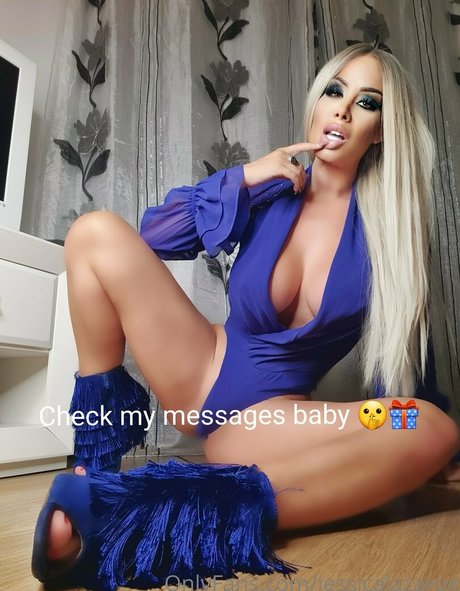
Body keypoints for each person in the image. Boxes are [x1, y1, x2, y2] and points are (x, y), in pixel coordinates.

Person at [33, 42, 460, 589]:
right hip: (200, 365)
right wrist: (248, 176)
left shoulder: (389, 238)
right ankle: (96, 469)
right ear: (318, 102)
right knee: (94, 233)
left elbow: (405, 351)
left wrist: (414, 443)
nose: (343, 109)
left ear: (380, 131)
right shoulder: (273, 190)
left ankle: (150, 515)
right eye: (335, 91)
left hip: (269, 422)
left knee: (425, 424)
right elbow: (155, 235)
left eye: (366, 101)